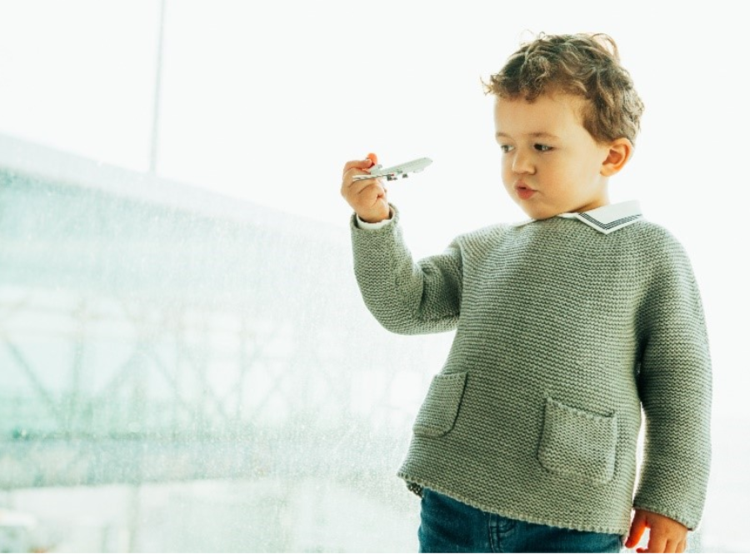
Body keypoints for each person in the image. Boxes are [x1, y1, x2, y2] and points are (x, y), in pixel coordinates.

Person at [339, 32, 711, 554]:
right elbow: (406, 306)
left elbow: (682, 383)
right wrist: (374, 221)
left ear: (612, 157)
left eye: (542, 146)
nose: (519, 165)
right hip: (453, 494)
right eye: (506, 146)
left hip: (572, 512)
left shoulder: (649, 253)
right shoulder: (485, 247)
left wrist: (670, 494)